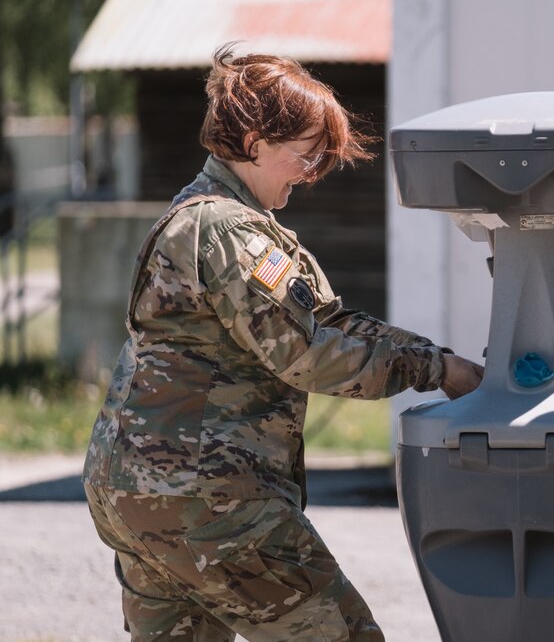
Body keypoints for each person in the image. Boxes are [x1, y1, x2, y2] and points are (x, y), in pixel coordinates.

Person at [82, 45, 484, 641]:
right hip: (207, 499)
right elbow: (308, 352)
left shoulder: (205, 216)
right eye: (305, 155)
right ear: (254, 143)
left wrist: (442, 360)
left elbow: (326, 323)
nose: (313, 172)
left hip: (141, 492)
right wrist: (435, 371)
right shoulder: (226, 229)